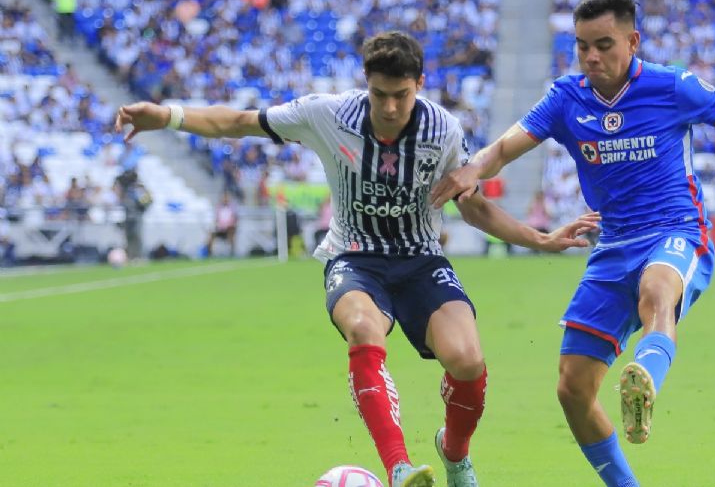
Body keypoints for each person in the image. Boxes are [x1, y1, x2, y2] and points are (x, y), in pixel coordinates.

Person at [115, 30, 598, 487]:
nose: (389, 107)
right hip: (354, 257)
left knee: (468, 361)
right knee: (365, 330)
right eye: (379, 94)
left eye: (401, 95)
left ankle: (454, 453)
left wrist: (539, 239)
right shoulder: (328, 114)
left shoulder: (443, 129)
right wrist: (167, 115)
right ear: (365, 84)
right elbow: (241, 122)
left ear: (420, 85)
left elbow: (472, 206)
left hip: (421, 260)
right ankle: (398, 468)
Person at [430, 0, 715, 486]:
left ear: (633, 41)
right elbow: (502, 149)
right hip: (612, 248)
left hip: (676, 232)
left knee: (657, 292)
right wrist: (472, 170)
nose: (591, 57)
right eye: (582, 47)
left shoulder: (672, 87)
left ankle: (644, 376)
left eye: (603, 45)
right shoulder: (565, 98)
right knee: (572, 387)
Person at [207, 192, 238, 257]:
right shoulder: (218, 208)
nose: (225, 200)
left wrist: (228, 225)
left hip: (229, 229)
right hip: (220, 229)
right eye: (224, 198)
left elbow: (234, 219)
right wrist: (218, 225)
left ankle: (232, 252)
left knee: (231, 233)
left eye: (226, 198)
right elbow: (216, 219)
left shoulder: (232, 208)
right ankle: (209, 254)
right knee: (210, 235)